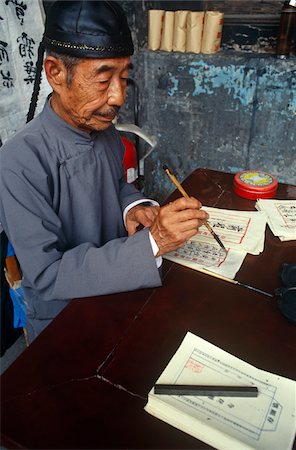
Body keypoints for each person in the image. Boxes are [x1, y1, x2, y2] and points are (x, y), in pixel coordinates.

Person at [0, 0, 208, 343]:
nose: (117, 97)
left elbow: (115, 185)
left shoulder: (103, 129)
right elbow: (48, 275)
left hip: (120, 289)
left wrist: (133, 207)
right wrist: (153, 243)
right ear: (55, 73)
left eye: (124, 78)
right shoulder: (18, 161)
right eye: (103, 79)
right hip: (66, 319)